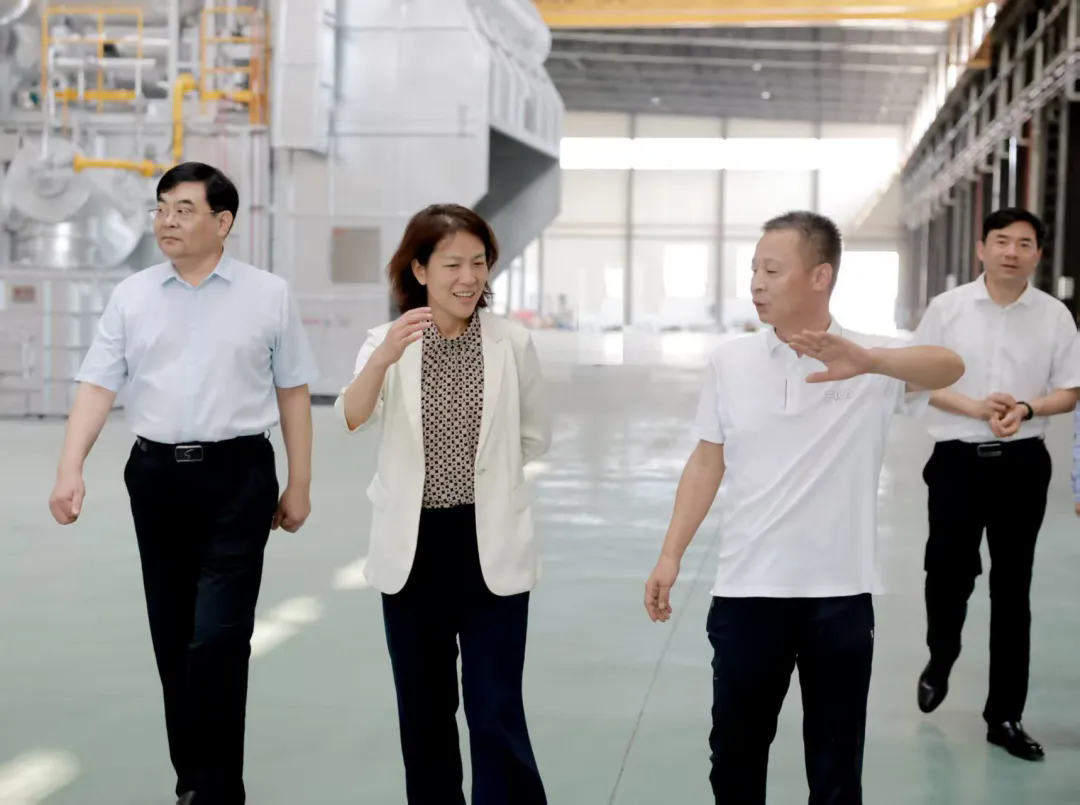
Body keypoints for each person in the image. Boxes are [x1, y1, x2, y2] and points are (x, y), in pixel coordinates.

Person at [643, 211, 965, 805]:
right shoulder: (731, 361)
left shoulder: (872, 357)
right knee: (734, 760)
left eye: (772, 271)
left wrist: (871, 362)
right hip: (747, 592)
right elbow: (708, 460)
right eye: (754, 270)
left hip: (840, 595)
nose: (756, 284)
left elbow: (950, 365)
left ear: (821, 276)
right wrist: (670, 555)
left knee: (836, 770)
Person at [47, 162, 318, 805]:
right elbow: (98, 384)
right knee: (173, 638)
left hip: (240, 476)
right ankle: (194, 783)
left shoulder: (268, 295)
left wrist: (300, 481)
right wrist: (69, 466)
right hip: (157, 478)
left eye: (184, 209)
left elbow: (293, 391)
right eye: (161, 208)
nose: (167, 220)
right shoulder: (133, 295)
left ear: (223, 223)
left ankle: (215, 792)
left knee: (219, 637)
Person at [335, 204, 550, 805]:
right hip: (414, 550)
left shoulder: (512, 342)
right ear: (420, 269)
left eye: (479, 263)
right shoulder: (387, 342)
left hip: (489, 544)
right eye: (453, 264)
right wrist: (382, 357)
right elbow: (352, 417)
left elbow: (535, 436)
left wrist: (493, 483)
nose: (469, 277)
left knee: (495, 708)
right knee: (424, 711)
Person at [910, 207, 1080, 760]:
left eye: (1024, 243)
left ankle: (1004, 716)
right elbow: (915, 378)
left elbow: (1070, 390)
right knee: (947, 575)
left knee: (1012, 590)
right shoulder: (948, 309)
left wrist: (1026, 409)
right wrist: (974, 407)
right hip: (956, 462)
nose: (1012, 251)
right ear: (981, 248)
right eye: (1002, 240)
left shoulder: (1055, 316)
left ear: (1038, 254)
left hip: (1022, 466)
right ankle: (942, 654)